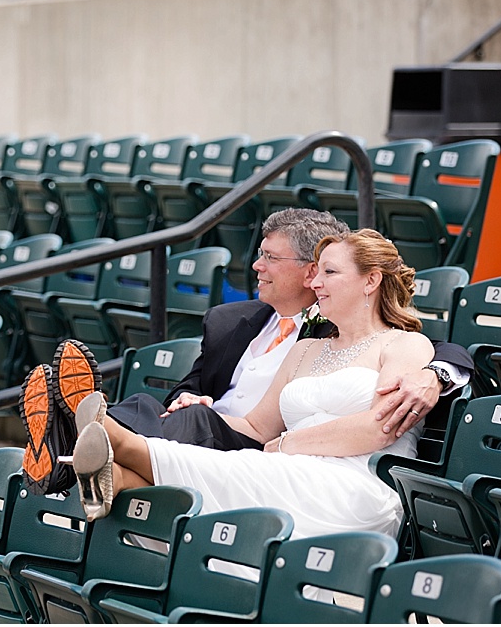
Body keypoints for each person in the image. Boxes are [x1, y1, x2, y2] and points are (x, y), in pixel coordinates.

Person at [19, 208, 471, 495]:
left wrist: (439, 374)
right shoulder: (238, 324)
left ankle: (82, 436)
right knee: (167, 411)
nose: (256, 266)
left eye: (271, 257)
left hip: (308, 466)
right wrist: (193, 401)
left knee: (191, 425)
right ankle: (83, 463)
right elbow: (223, 404)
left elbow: (439, 355)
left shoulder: (399, 343)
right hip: (236, 436)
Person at [63, 228, 435, 537]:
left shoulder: (405, 344)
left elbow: (380, 427)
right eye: (317, 272)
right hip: (288, 471)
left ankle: (107, 438)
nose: (316, 282)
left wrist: (287, 444)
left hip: (354, 486)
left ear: (371, 280)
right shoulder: (306, 348)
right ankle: (117, 475)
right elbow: (257, 425)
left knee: (241, 468)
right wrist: (206, 410)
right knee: (218, 473)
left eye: (330, 273)